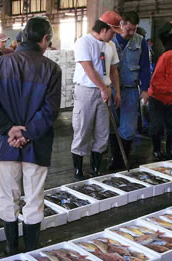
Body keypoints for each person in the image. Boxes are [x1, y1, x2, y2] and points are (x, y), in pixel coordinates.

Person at [0, 16, 61, 254]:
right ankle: (30, 251)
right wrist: (27, 133)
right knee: (34, 197)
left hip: (5, 142)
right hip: (36, 143)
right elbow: (50, 110)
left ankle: (10, 247)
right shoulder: (51, 69)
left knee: (8, 195)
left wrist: (9, 130)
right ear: (45, 39)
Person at [71, 11, 121, 180]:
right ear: (104, 28)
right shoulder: (83, 42)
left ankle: (95, 168)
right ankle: (78, 170)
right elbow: (88, 68)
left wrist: (116, 91)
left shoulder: (111, 46)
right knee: (82, 129)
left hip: (105, 91)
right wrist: (103, 88)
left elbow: (114, 70)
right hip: (86, 90)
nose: (114, 36)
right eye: (113, 32)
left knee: (102, 131)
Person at [109, 11, 151, 170]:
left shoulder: (141, 42)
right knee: (112, 125)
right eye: (129, 29)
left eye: (134, 29)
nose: (132, 33)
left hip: (131, 90)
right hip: (111, 90)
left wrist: (145, 89)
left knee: (129, 127)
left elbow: (145, 67)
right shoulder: (110, 40)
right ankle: (115, 160)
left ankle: (123, 159)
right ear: (121, 25)